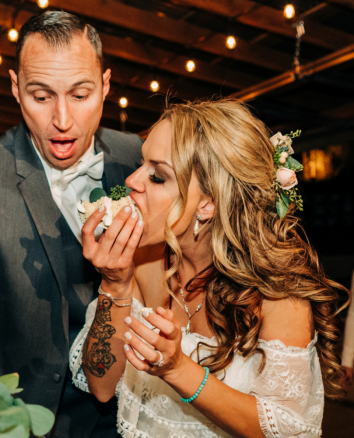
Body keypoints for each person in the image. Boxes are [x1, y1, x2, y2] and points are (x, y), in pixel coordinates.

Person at [0, 10, 144, 438]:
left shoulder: (143, 161)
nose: (62, 119)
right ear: (16, 90)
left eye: (80, 94)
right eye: (41, 96)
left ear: (106, 86)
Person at [70, 99, 350, 437]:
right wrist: (114, 285)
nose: (131, 180)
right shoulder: (142, 265)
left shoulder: (278, 296)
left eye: (157, 176)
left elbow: (287, 430)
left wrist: (177, 369)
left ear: (208, 204)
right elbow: (101, 384)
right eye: (140, 164)